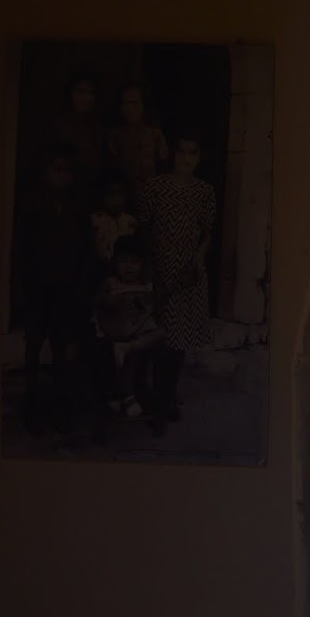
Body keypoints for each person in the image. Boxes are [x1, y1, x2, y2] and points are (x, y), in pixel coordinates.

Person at [14, 141, 94, 434]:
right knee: (34, 345)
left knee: (61, 347)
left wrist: (81, 286)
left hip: (66, 289)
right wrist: (21, 288)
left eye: (67, 170)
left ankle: (60, 404)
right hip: (37, 287)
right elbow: (21, 249)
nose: (62, 175)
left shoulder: (78, 208)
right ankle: (32, 403)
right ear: (45, 172)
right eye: (56, 169)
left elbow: (86, 250)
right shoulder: (32, 205)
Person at [139, 132, 215, 431]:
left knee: (179, 339)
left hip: (189, 271)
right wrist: (150, 270)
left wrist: (196, 262)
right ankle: (154, 397)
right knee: (158, 336)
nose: (186, 158)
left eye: (192, 152)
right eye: (182, 151)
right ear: (173, 153)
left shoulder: (204, 192)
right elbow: (144, 228)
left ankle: (167, 395)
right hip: (160, 267)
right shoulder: (155, 187)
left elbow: (206, 233)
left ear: (199, 157)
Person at [92, 235, 160, 418]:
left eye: (134, 262)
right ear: (115, 262)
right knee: (118, 358)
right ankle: (123, 394)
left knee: (158, 334)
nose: (129, 267)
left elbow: (148, 309)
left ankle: (127, 389)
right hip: (114, 328)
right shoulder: (111, 283)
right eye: (123, 261)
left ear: (142, 265)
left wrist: (143, 307)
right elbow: (97, 303)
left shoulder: (145, 285)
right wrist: (108, 301)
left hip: (136, 329)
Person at [107, 84, 167, 193]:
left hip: (151, 191)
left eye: (135, 103)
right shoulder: (115, 136)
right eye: (127, 103)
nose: (131, 108)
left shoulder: (155, 134)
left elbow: (163, 166)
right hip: (124, 192)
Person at [89, 179, 138, 270]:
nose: (116, 199)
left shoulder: (131, 221)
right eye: (111, 194)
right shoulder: (94, 221)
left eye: (120, 194)